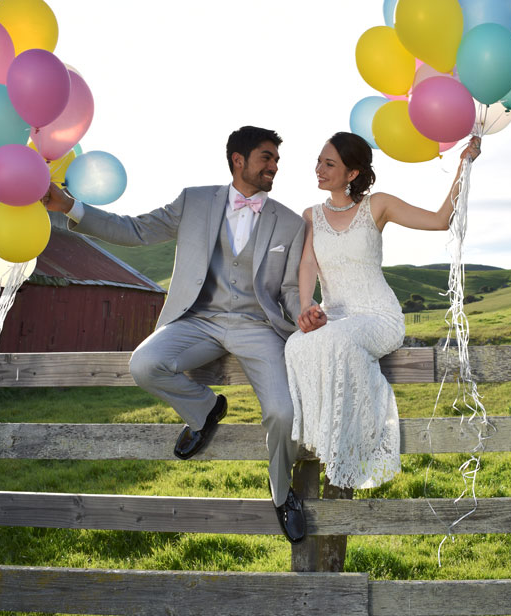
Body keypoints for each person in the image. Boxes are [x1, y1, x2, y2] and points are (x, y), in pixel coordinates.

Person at [42, 126, 321, 544]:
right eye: (267, 157)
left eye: (277, 160)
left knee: (282, 413)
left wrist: (305, 313)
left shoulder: (289, 221)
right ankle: (205, 409)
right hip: (199, 319)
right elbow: (135, 230)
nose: (275, 167)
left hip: (256, 326)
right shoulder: (194, 201)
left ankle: (282, 493)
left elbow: (286, 290)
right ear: (238, 160)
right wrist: (69, 206)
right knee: (145, 365)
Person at [285, 131, 481, 490]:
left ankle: (358, 439)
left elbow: (440, 220)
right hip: (336, 317)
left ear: (353, 173)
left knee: (340, 343)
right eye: (318, 161)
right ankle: (319, 439)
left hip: (378, 316)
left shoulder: (378, 205)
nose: (319, 169)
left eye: (329, 164)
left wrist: (463, 166)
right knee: (295, 344)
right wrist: (306, 308)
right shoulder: (310, 215)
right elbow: (308, 266)